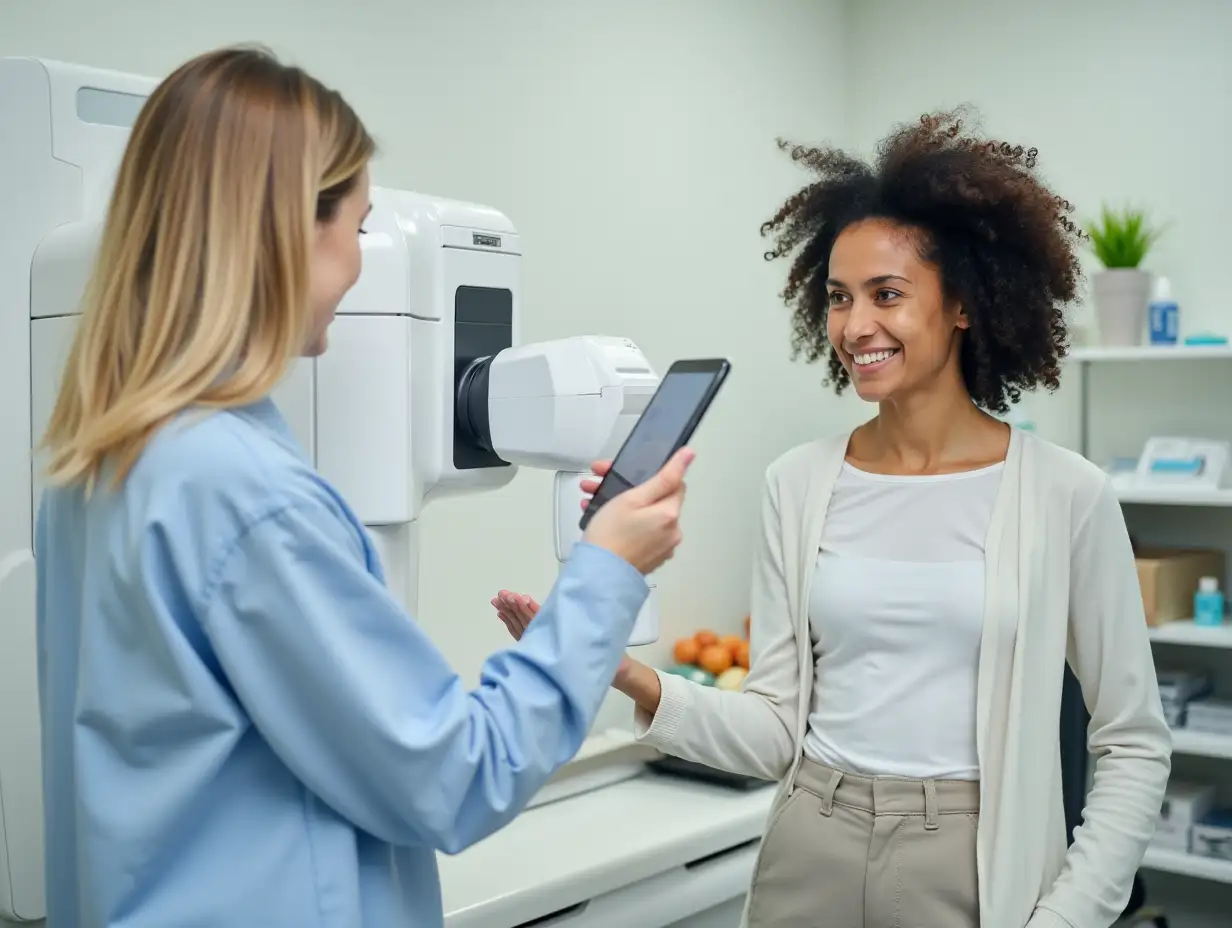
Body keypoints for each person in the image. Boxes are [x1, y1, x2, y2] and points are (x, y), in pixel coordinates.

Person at [35, 45, 696, 928]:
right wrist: (607, 569)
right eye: (356, 225)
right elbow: (459, 777)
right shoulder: (246, 495)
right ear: (284, 232)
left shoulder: (92, 472)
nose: (355, 266)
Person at [493, 109, 1172, 928]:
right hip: (810, 842)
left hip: (973, 863)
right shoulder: (799, 483)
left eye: (887, 295)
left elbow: (1133, 742)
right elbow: (775, 731)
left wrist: (1064, 920)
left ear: (962, 303)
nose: (855, 327)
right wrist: (620, 671)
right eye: (839, 298)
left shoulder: (1068, 494)